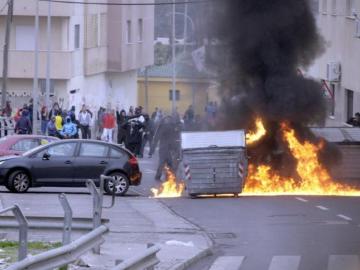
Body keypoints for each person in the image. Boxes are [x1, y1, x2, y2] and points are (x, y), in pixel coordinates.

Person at [149, 116, 181, 181]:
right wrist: (177, 148)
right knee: (170, 163)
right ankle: (170, 177)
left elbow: (156, 138)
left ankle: (159, 176)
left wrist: (151, 151)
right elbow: (177, 138)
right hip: (171, 149)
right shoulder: (174, 126)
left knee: (162, 163)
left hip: (164, 148)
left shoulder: (162, 126)